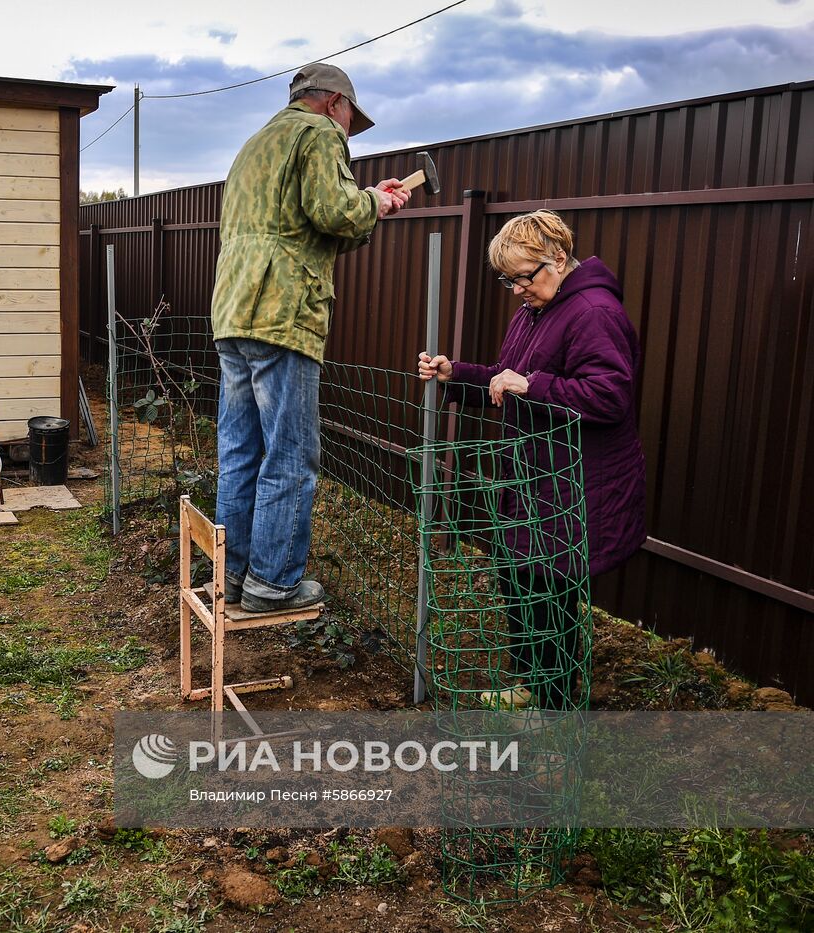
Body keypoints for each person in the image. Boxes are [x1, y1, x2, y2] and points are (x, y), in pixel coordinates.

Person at [417, 210, 646, 709]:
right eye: (508, 280)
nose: (517, 289)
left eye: (523, 276)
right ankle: (527, 684)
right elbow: (508, 377)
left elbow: (610, 397)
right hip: (531, 480)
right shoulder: (537, 309)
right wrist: (458, 375)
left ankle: (553, 706)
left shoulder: (593, 312)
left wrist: (530, 385)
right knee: (518, 582)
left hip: (576, 485)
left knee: (550, 599)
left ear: (558, 259)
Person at [211, 62, 410, 614]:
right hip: (283, 312)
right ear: (333, 104)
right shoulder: (319, 133)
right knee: (291, 453)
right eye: (351, 119)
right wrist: (376, 202)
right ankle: (272, 584)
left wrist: (369, 202)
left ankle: (230, 573)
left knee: (239, 450)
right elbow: (335, 210)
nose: (348, 132)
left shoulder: (255, 144)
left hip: (233, 311)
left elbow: (310, 228)